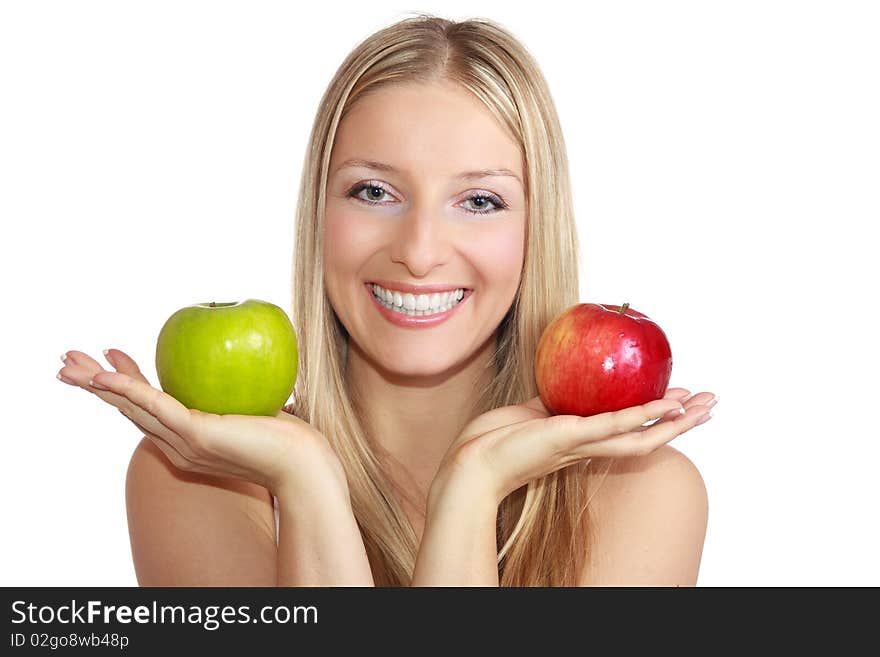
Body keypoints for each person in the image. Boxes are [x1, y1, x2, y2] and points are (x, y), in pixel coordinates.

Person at [56, 13, 716, 587]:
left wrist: (474, 483)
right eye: (374, 192)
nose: (421, 250)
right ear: (319, 210)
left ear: (534, 230)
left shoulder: (643, 493)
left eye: (479, 201)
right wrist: (304, 477)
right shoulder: (198, 476)